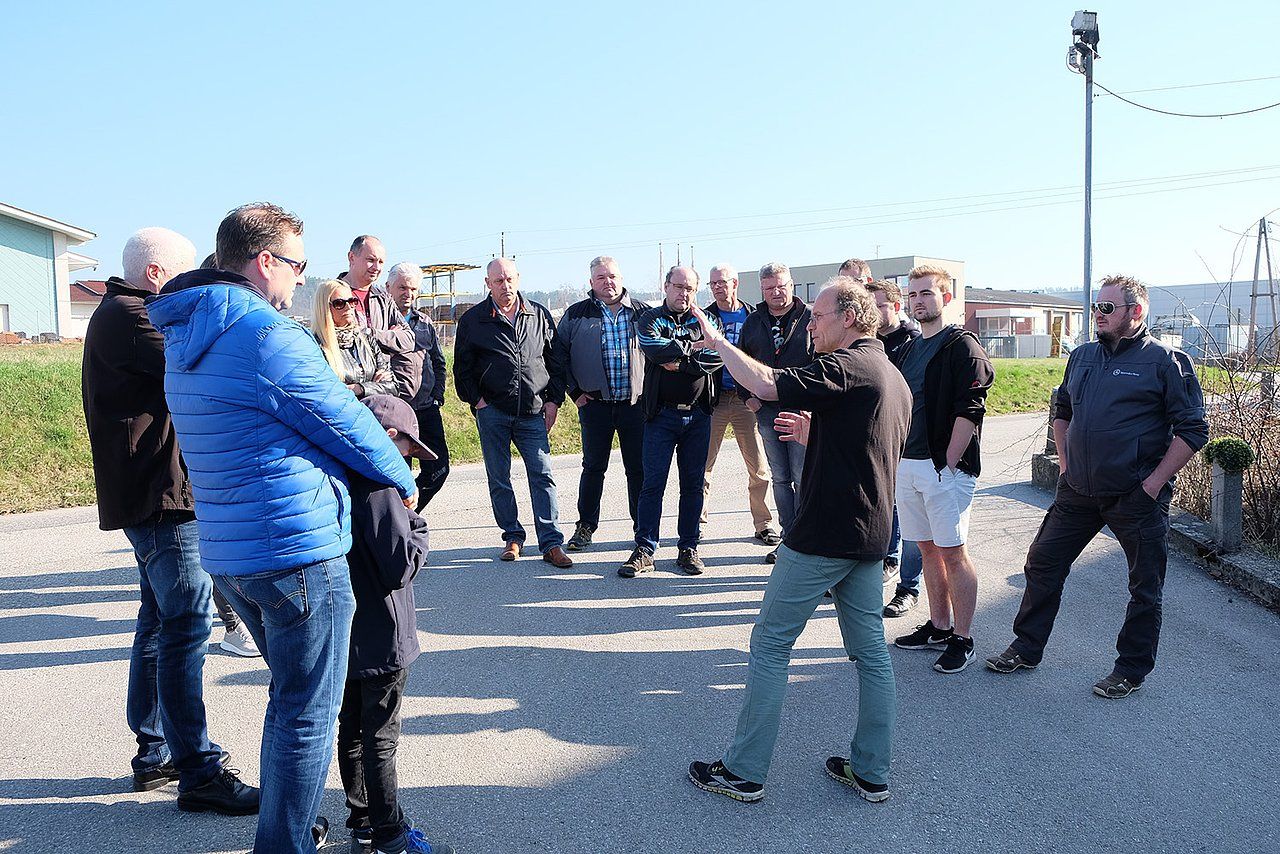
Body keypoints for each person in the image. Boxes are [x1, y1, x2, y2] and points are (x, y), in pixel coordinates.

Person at [148, 203, 418, 854]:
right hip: (297, 551)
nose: (300, 279)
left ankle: (290, 828)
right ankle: (284, 843)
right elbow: (342, 422)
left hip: (233, 554)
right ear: (264, 261)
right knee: (305, 715)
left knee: (288, 703)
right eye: (295, 264)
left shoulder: (186, 335)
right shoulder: (264, 334)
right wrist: (402, 480)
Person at [687, 277, 911, 804]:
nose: (810, 324)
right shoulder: (890, 375)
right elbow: (871, 446)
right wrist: (820, 437)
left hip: (824, 535)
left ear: (852, 317)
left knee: (769, 644)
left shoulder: (847, 366)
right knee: (871, 654)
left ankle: (744, 772)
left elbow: (766, 385)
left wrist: (718, 342)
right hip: (869, 535)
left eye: (820, 315)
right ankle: (870, 771)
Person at [81, 227, 258, 813]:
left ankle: (157, 747)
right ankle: (197, 769)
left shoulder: (124, 313)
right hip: (163, 498)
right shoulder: (133, 319)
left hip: (157, 494)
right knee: (185, 628)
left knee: (160, 623)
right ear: (158, 275)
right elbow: (206, 357)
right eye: (185, 280)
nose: (189, 295)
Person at [986, 275, 1208, 698]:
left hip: (1135, 498)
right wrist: (1066, 464)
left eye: (1107, 308)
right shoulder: (1083, 356)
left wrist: (1152, 484)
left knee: (1145, 588)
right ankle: (1026, 647)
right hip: (1078, 493)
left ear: (1135, 312)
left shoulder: (1165, 362)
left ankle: (1130, 669)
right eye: (1096, 307)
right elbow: (1063, 410)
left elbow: (1193, 429)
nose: (1097, 314)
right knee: (1042, 565)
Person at [338, 394, 455, 854]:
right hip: (384, 633)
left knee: (350, 728)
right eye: (408, 447)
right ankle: (389, 835)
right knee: (380, 737)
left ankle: (362, 821)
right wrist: (416, 522)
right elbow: (400, 565)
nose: (410, 457)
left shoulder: (336, 470)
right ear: (389, 437)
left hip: (345, 626)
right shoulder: (380, 486)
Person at [891, 265, 994, 674]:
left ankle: (963, 638)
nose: (919, 301)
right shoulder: (908, 348)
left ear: (946, 298)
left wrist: (948, 464)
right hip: (907, 464)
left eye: (927, 294)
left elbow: (970, 409)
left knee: (953, 552)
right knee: (926, 548)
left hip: (943, 469)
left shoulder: (961, 346)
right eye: (914, 294)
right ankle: (938, 626)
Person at [453, 257, 573, 568]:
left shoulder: (538, 315)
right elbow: (461, 368)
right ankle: (513, 536)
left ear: (518, 278)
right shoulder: (474, 320)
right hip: (492, 411)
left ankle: (551, 543)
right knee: (499, 477)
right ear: (488, 284)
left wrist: (553, 400)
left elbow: (555, 361)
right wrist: (477, 400)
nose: (505, 286)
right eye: (498, 281)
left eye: (509, 280)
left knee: (542, 475)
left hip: (533, 411)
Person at [619, 266, 723, 577]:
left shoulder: (707, 320)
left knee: (692, 485)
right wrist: (693, 352)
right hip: (660, 415)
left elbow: (715, 357)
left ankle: (688, 548)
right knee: (652, 485)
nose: (683, 293)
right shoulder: (650, 318)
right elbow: (652, 348)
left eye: (689, 288)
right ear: (666, 286)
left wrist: (677, 363)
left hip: (698, 415)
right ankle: (645, 548)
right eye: (678, 286)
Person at [555, 256, 650, 550]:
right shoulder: (575, 314)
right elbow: (559, 358)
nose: (607, 282)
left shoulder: (643, 313)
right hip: (594, 406)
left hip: (636, 406)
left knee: (638, 470)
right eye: (600, 278)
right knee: (593, 468)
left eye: (612, 276)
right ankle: (585, 527)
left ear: (621, 278)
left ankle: (642, 529)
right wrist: (575, 393)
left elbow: (659, 357)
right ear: (591, 283)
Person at [736, 262, 813, 563]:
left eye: (781, 286)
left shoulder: (808, 317)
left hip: (802, 410)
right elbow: (740, 362)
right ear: (762, 290)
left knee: (802, 476)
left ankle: (807, 540)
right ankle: (789, 539)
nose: (776, 292)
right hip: (767, 412)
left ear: (791, 285)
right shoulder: (753, 322)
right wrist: (747, 398)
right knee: (780, 478)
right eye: (769, 288)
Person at [700, 263, 778, 549]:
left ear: (735, 283)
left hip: (747, 400)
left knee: (758, 467)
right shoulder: (705, 317)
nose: (718, 287)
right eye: (713, 284)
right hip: (714, 400)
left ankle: (763, 523)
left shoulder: (753, 316)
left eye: (723, 282)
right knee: (702, 466)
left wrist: (757, 392)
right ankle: (697, 523)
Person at [867, 278, 924, 618]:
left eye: (880, 305)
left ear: (896, 306)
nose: (874, 312)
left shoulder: (913, 343)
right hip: (877, 441)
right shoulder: (867, 343)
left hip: (911, 443)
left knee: (912, 520)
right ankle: (885, 561)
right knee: (884, 506)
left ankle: (909, 587)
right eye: (869, 305)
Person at [385, 262, 451, 509]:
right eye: (402, 287)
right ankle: (400, 526)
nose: (408, 293)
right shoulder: (379, 322)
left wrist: (438, 395)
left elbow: (438, 361)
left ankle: (409, 515)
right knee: (397, 477)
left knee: (439, 468)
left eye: (413, 289)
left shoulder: (424, 323)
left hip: (425, 410)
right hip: (394, 414)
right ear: (388, 287)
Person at [313, 279, 397, 399]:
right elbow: (326, 393)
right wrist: (374, 385)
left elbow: (393, 386)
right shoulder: (315, 345)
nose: (348, 307)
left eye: (352, 301)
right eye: (339, 303)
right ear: (324, 307)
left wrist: (359, 388)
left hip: (373, 412)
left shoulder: (367, 340)